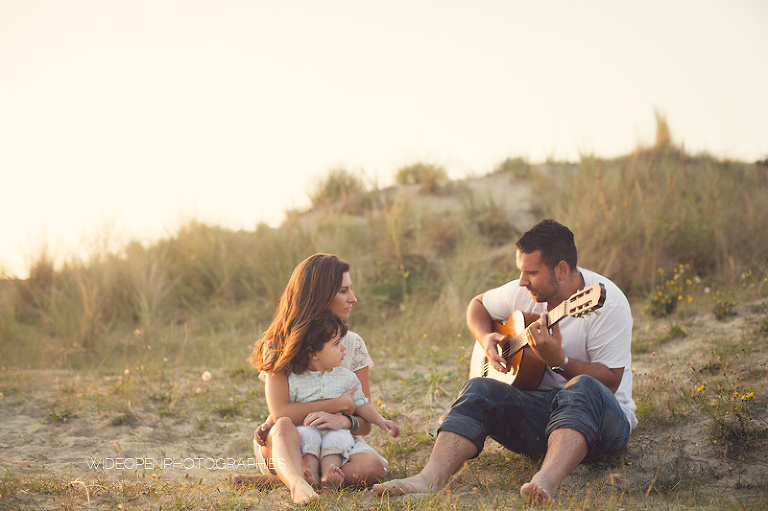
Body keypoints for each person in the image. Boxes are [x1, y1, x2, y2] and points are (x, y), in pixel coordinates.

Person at [372, 219, 636, 505]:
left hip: (602, 427)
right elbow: (477, 304)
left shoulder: (608, 305)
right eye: (521, 272)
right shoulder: (524, 292)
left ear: (561, 269)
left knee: (581, 386)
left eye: (531, 273)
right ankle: (427, 479)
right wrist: (486, 338)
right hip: (543, 423)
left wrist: (559, 360)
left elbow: (610, 380)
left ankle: (545, 481)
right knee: (479, 387)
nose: (522, 281)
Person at [236, 254, 387, 506]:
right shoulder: (278, 344)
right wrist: (339, 403)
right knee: (282, 425)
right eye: (344, 291)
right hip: (290, 441)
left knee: (371, 467)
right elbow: (281, 412)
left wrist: (342, 419)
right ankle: (296, 482)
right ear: (319, 296)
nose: (354, 298)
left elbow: (364, 425)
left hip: (337, 444)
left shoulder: (353, 344)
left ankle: (301, 479)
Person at [279, 310, 399, 490]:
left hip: (335, 429)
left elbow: (361, 405)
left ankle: (329, 477)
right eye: (336, 344)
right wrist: (267, 424)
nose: (343, 347)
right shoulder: (295, 380)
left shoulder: (347, 378)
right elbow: (285, 411)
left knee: (336, 438)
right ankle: (309, 476)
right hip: (307, 428)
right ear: (313, 353)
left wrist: (381, 420)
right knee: (305, 437)